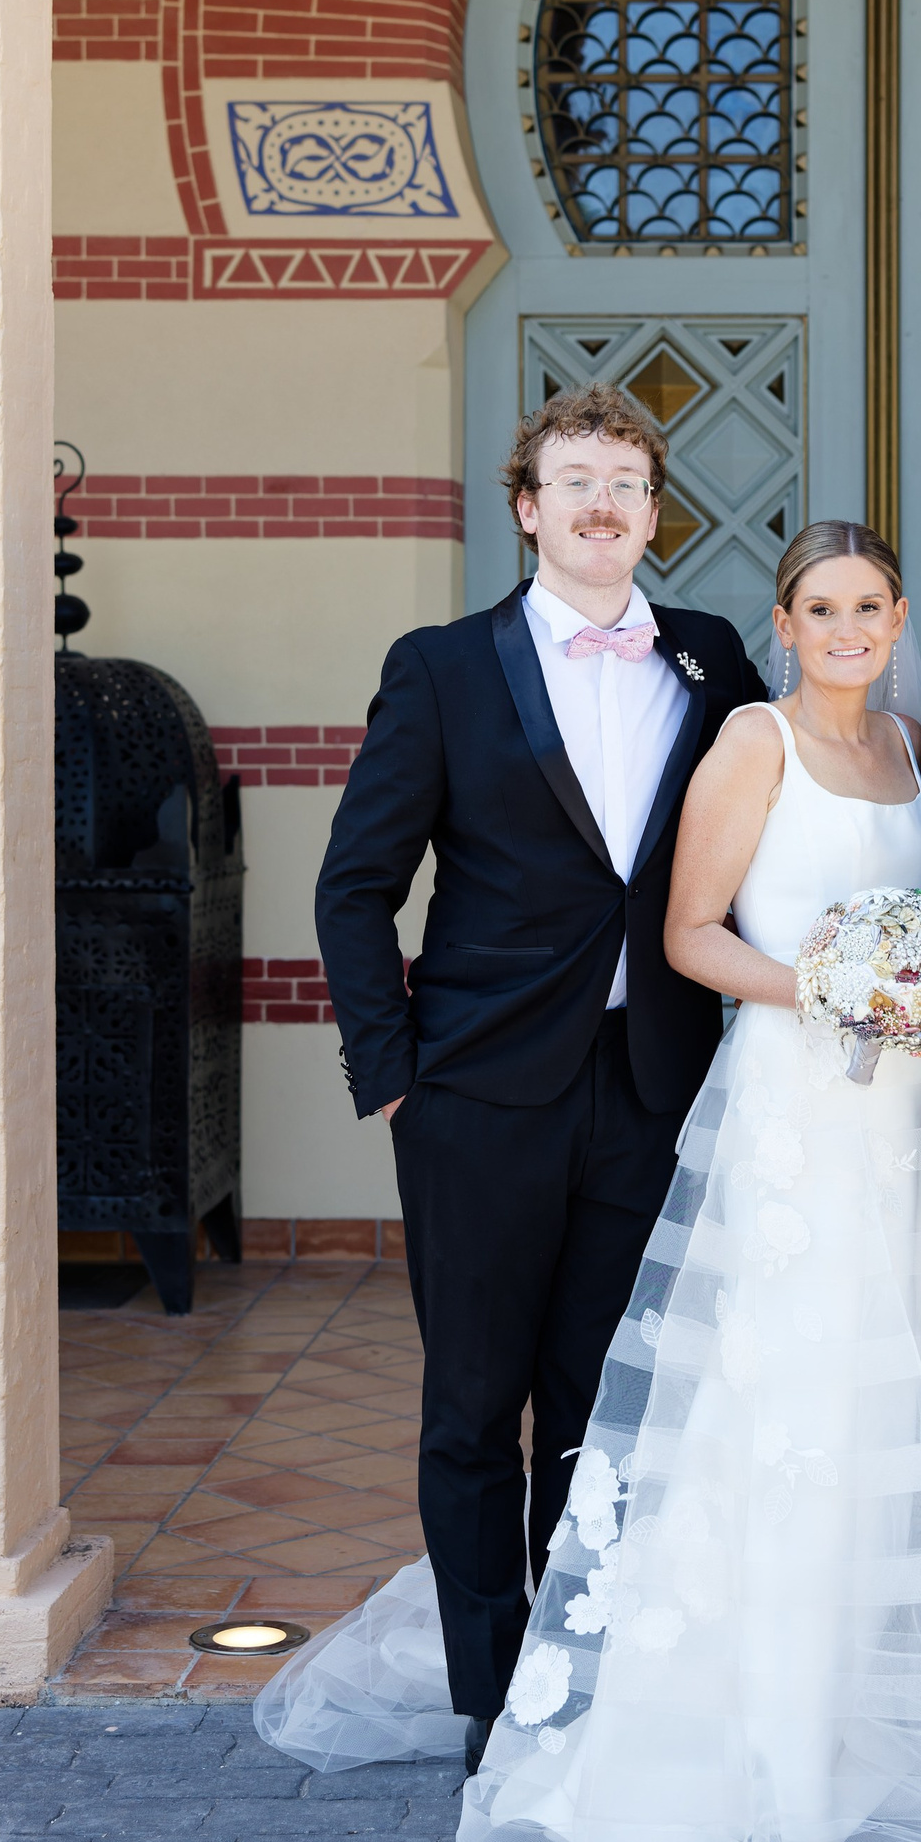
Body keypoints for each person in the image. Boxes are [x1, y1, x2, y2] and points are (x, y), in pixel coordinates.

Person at [262, 520, 921, 1842]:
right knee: (766, 1397)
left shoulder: (915, 748)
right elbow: (688, 932)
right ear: (782, 625)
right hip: (790, 1108)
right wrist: (840, 992)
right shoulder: (749, 737)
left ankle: (863, 1705)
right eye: (820, 608)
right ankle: (747, 1731)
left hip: (904, 1125)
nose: (847, 629)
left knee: (887, 1400)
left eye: (869, 606)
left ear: (898, 619)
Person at [310, 383, 764, 1769]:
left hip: (648, 1085)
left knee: (600, 1405)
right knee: (472, 1408)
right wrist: (395, 1075)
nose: (601, 503)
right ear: (528, 508)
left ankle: (576, 1681)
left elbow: (773, 824)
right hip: (477, 1097)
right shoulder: (444, 668)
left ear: (654, 511)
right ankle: (487, 1694)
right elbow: (355, 885)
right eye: (575, 480)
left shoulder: (710, 658)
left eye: (625, 480)